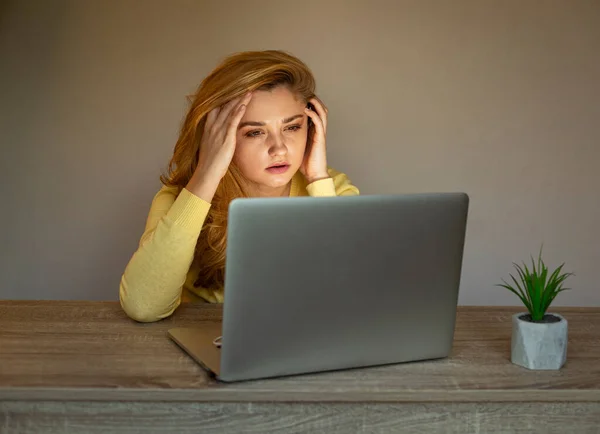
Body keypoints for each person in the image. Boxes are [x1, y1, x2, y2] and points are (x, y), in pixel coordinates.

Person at [119, 50, 359, 322]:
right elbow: (143, 306)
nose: (279, 149)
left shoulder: (332, 190)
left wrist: (318, 180)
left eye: (292, 127)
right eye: (255, 132)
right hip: (206, 338)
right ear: (217, 137)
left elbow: (351, 299)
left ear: (313, 128)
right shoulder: (180, 198)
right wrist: (206, 174)